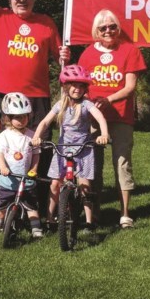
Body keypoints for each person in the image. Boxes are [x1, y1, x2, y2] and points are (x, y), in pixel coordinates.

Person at [0, 0, 71, 212]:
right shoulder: (0, 16)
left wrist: (64, 58)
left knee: (41, 147)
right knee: (9, 147)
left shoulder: (46, 22)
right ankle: (8, 201)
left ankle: (39, 202)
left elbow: (60, 61)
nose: (22, 0)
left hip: (37, 97)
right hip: (7, 95)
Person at [77, 9, 146, 229]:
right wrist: (88, 103)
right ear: (96, 31)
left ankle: (124, 213)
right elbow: (80, 85)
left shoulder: (129, 50)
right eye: (103, 28)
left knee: (122, 162)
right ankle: (93, 213)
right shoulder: (87, 53)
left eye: (112, 26)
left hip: (120, 116)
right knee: (91, 165)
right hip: (93, 118)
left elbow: (130, 87)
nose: (108, 31)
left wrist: (107, 99)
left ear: (118, 28)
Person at [31, 65, 110, 232]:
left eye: (82, 86)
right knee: (55, 183)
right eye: (74, 85)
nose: (78, 89)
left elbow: (100, 117)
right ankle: (50, 217)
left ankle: (89, 222)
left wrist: (103, 134)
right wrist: (36, 136)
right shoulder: (61, 104)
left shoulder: (87, 104)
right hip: (63, 148)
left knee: (85, 185)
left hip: (83, 148)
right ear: (66, 86)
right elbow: (45, 122)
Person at [0, 92, 43, 239]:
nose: (21, 120)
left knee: (31, 206)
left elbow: (36, 154)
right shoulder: (5, 135)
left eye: (24, 116)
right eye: (17, 117)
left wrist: (34, 168)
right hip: (9, 180)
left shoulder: (32, 135)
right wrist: (3, 167)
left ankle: (36, 228)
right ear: (8, 118)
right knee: (2, 206)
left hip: (27, 179)